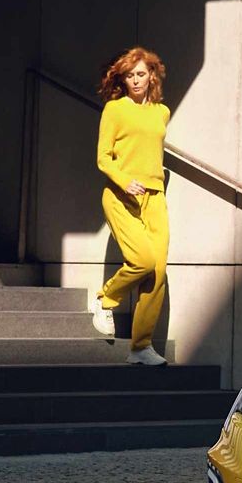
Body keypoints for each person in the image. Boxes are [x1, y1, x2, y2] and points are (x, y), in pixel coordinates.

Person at [89, 47, 172, 365]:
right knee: (142, 260)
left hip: (155, 197)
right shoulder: (114, 109)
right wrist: (125, 180)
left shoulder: (161, 112)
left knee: (158, 271)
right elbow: (102, 158)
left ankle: (140, 347)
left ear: (152, 75)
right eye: (129, 75)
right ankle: (105, 299)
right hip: (121, 196)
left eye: (141, 74)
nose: (135, 80)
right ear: (121, 79)